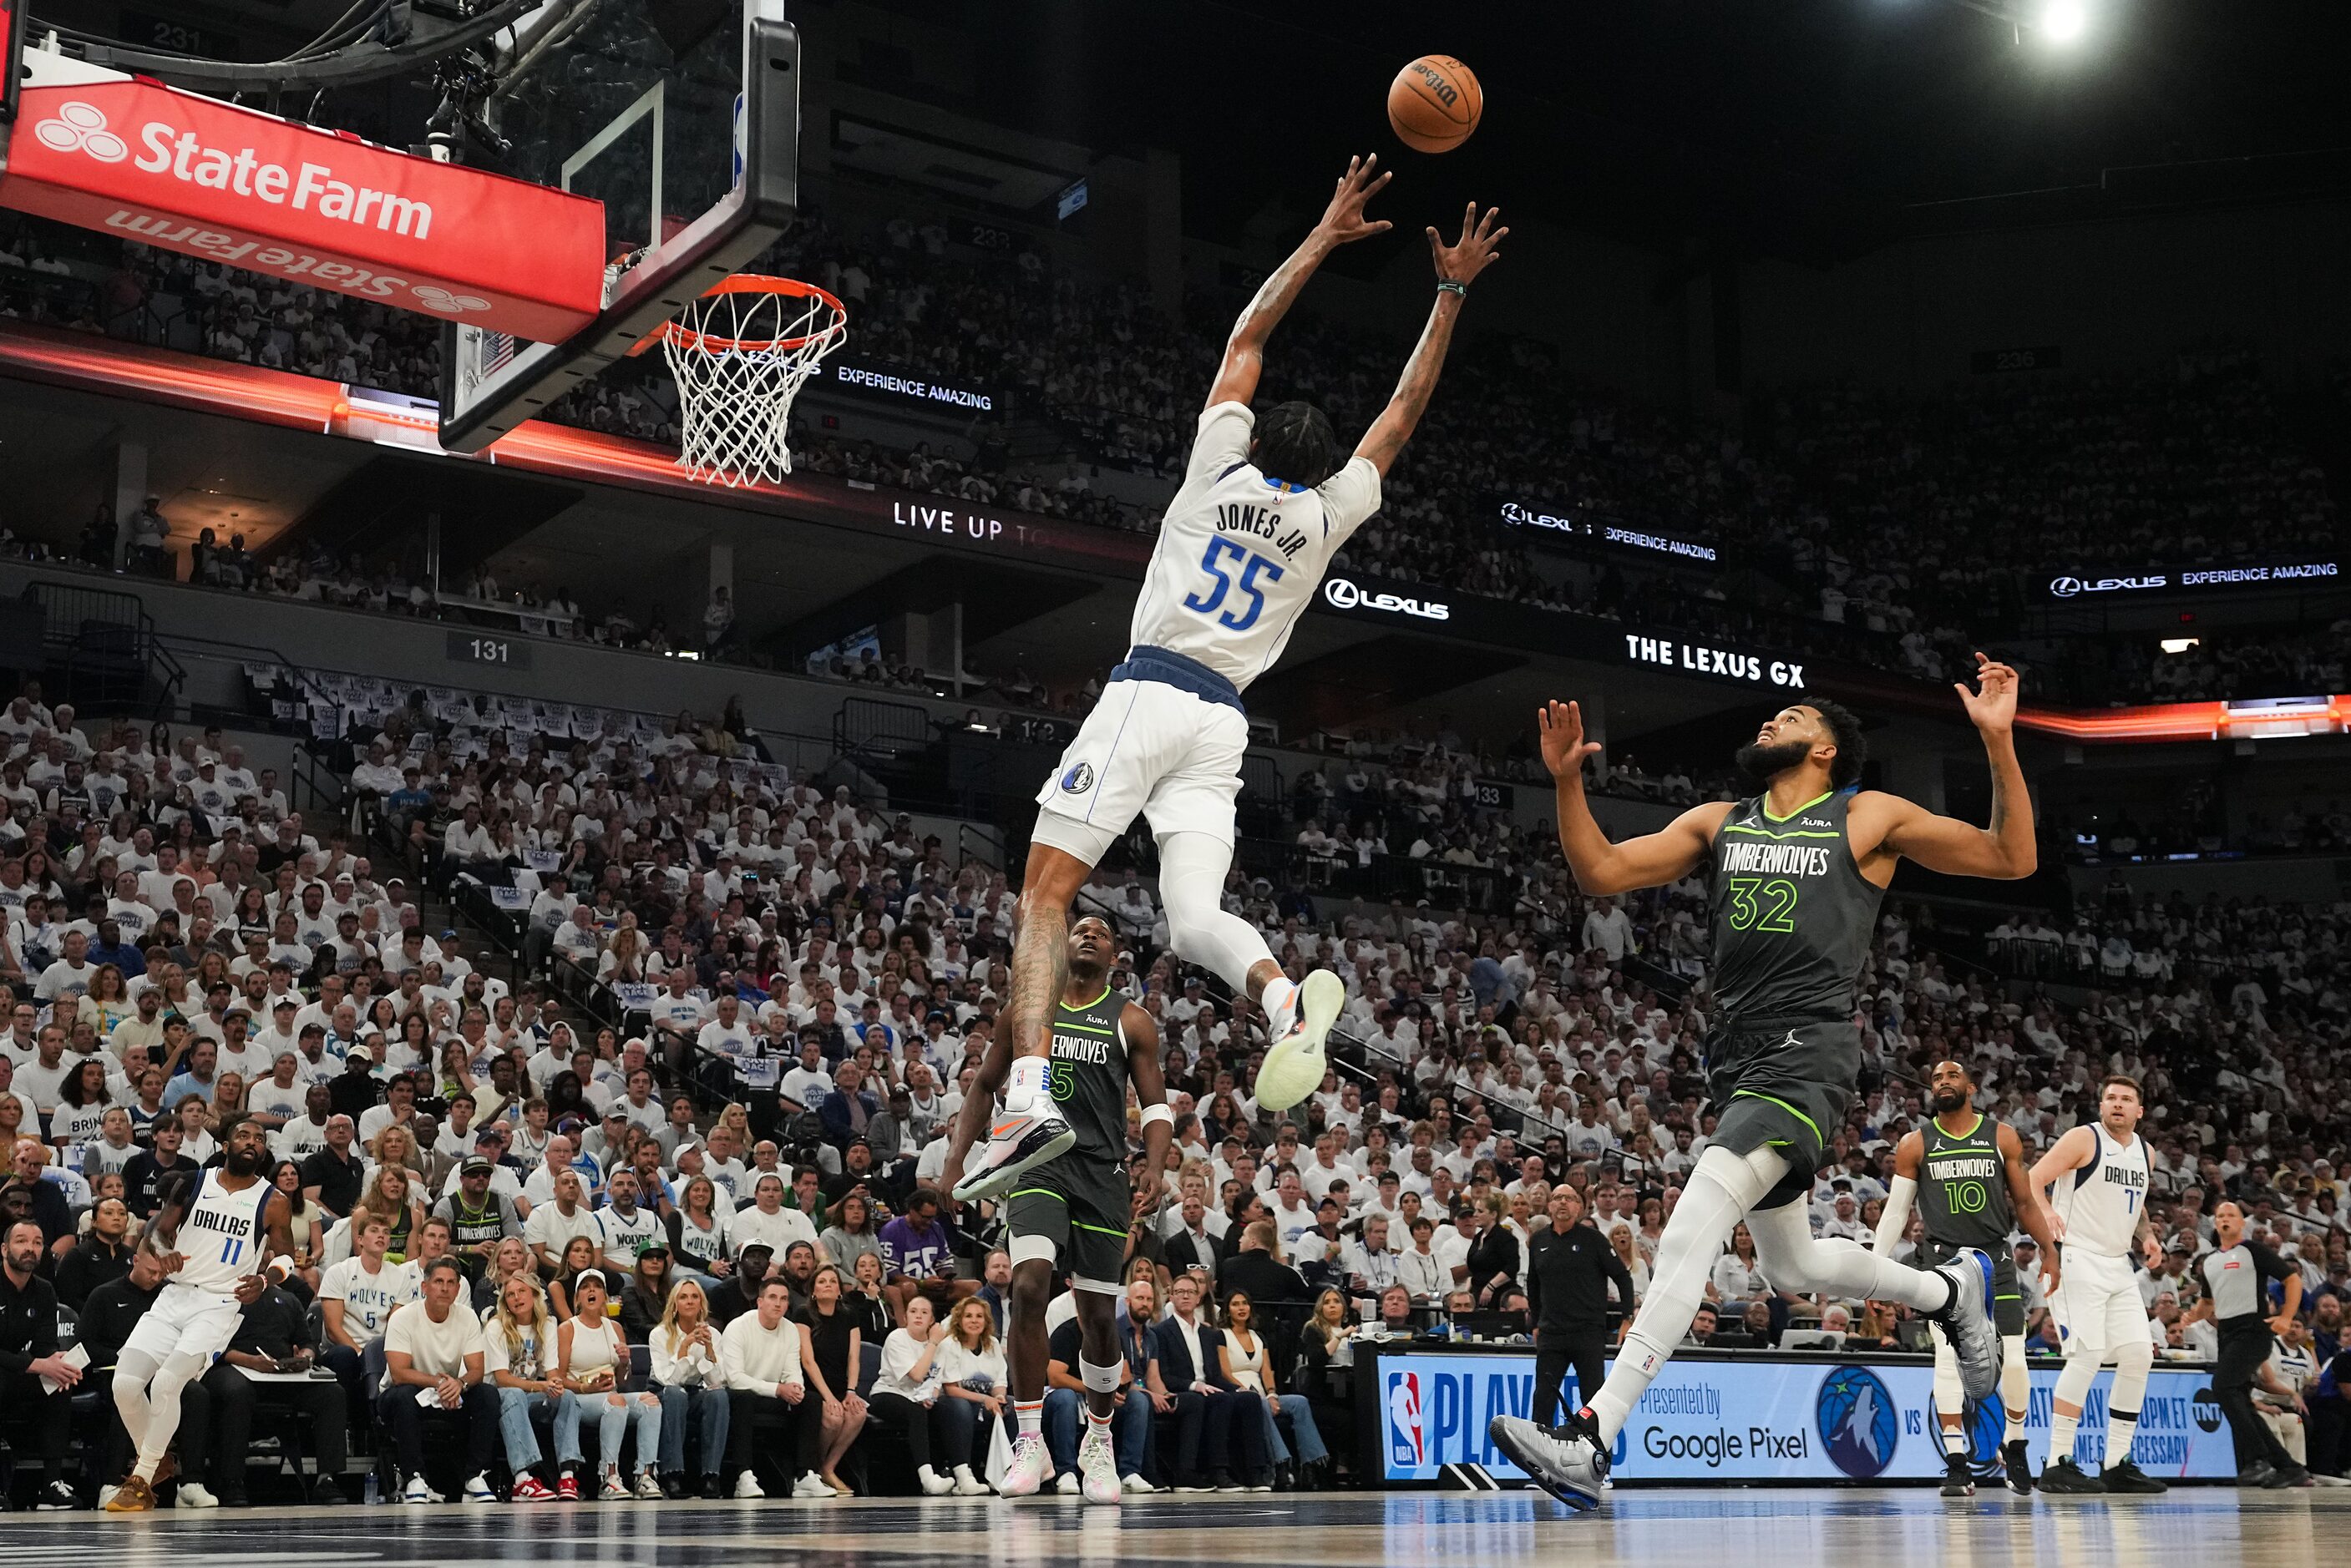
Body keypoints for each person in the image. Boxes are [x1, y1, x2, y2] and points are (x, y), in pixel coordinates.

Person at [955, 157, 1508, 1203]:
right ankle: (1280, 997)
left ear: (1254, 441)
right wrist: (1448, 292)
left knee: (1044, 889)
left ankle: (1026, 1099)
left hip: (1150, 690)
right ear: (1321, 461)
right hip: (1223, 725)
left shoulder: (1215, 468)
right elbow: (1402, 410)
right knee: (1193, 914)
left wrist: (1322, 232)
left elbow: (1247, 335)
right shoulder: (1330, 511)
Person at [1492, 678, 2028, 1510]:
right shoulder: (1719, 821)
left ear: (1823, 750)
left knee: (1688, 1233)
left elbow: (2010, 858)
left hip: (1805, 1049)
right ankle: (1948, 1290)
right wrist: (1566, 782)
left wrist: (1996, 739)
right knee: (1790, 1264)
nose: (1771, 719)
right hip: (1735, 1058)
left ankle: (1591, 1437)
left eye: (1794, 716)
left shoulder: (1865, 816)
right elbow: (1600, 871)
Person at [943, 917, 1169, 1501]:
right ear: (1062, 948)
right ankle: (1028, 1440)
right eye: (1080, 928)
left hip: (1101, 1173)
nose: (1089, 934)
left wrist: (1156, 1164)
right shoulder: (1026, 1011)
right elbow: (983, 1084)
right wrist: (953, 1163)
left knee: (1097, 1318)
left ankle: (1098, 1438)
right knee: (1027, 1286)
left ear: (1116, 953)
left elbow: (1156, 1106)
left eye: (1101, 931)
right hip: (1038, 1163)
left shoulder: (1130, 1019)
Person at [1875, 1058, 2065, 1498]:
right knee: (1947, 1362)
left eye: (1952, 1076)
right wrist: (1876, 1267)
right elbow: (1896, 1211)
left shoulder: (2001, 1136)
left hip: (1996, 1261)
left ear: (1971, 1087)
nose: (1943, 1081)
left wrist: (2050, 1251)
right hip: (1943, 1267)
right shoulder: (1913, 1144)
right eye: (1937, 1077)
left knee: (2015, 1360)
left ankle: (2014, 1444)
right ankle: (1957, 1463)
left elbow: (2024, 1203)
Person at [106, 1117, 298, 1513]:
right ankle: (158, 1459)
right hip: (174, 1295)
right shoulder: (193, 1182)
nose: (252, 1142)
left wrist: (266, 1279)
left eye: (259, 1139)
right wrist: (162, 1251)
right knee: (124, 1385)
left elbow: (286, 1257)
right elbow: (157, 1231)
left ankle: (140, 1479)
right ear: (225, 1145)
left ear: (264, 1151)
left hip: (220, 1303)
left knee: (167, 1384)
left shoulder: (274, 1200)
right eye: (243, 1136)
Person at [2028, 1075, 2166, 1495]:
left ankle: (2116, 1463)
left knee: (2139, 1354)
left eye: (2127, 1099)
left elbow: (2136, 1203)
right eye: (2111, 1098)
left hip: (2118, 1264)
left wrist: (2147, 1235)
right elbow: (2032, 1179)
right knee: (2087, 1355)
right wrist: (2047, 1212)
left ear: (2140, 1111)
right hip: (2077, 1257)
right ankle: (2057, 1462)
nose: (2118, 1104)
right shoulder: (2082, 1139)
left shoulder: (2147, 1152)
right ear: (2101, 1105)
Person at [200, 1275, 347, 1505]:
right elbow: (210, 1347)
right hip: (234, 1366)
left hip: (281, 1372)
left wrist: (305, 1358)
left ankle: (326, 1480)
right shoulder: (221, 1295)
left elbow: (307, 1343)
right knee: (237, 1390)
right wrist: (250, 1361)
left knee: (332, 1393)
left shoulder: (287, 1299)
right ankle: (232, 1481)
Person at [2197, 1201, 2311, 1487]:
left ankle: (2258, 1459)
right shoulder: (2209, 1261)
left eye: (2230, 1215)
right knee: (2241, 1401)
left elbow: (2292, 1279)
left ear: (2241, 1222)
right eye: (2220, 1215)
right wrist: (2191, 1315)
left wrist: (2286, 1316)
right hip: (2227, 1333)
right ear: (2214, 1223)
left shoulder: (2252, 1251)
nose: (2224, 1219)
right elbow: (2207, 1303)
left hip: (2254, 1330)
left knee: (2222, 1388)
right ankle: (2289, 1467)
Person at [378, 1256, 499, 1503]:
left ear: (458, 1288)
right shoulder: (403, 1317)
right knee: (404, 1395)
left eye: (451, 1283)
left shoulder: (467, 1317)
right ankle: (414, 1478)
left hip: (447, 1394)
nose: (444, 1288)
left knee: (488, 1395)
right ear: (425, 1287)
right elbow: (399, 1373)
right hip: (402, 1395)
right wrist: (441, 1383)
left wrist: (460, 1384)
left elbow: (477, 1369)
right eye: (438, 1282)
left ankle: (474, 1477)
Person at [1525, 1186, 1634, 1430]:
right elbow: (1533, 1283)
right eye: (1557, 1198)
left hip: (1587, 1333)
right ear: (1550, 1206)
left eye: (1570, 1198)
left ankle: (1598, 1457)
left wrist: (1627, 1317)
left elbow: (1623, 1277)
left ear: (1579, 1207)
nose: (1563, 1202)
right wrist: (1535, 1323)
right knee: (1543, 1397)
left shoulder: (1593, 1240)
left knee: (1593, 1399)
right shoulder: (1539, 1240)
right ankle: (1538, 1456)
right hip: (1551, 1334)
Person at [555, 1267, 662, 1500]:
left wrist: (624, 1362)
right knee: (616, 1402)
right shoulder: (567, 1328)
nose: (591, 1291)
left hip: (612, 1394)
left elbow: (623, 1383)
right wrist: (587, 1388)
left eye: (597, 1287)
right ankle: (609, 1477)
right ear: (577, 1298)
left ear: (604, 1296)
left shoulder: (614, 1327)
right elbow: (559, 1379)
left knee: (650, 1402)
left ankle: (644, 1475)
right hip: (579, 1398)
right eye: (585, 1287)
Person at [1044, 1272, 1155, 1493]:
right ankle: (1066, 1471)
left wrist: (1115, 1389)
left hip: (1103, 1395)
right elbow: (1055, 1377)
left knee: (1138, 1400)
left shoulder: (1112, 1334)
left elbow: (1124, 1374)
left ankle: (1129, 1471)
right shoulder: (1065, 1333)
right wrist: (1097, 1392)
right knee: (1065, 1398)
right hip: (1068, 1395)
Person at [1148, 1270, 1259, 1490]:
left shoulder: (1209, 1334)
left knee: (1250, 1399)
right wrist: (1194, 1385)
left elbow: (1215, 1376)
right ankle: (1217, 1471)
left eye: (1191, 1292)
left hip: (1209, 1389)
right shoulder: (1160, 1332)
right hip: (1180, 1391)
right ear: (1171, 1297)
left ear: (1199, 1298)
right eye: (1180, 1292)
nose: (1186, 1296)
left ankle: (1255, 1472)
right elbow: (1164, 1376)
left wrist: (1236, 1389)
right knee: (1218, 1400)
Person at [0, 1218, 79, 1509]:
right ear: (4, 1248)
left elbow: (46, 1346)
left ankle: (51, 1484)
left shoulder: (44, 1290)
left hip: (18, 1369)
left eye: (37, 1242)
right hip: (8, 1370)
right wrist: (40, 1364)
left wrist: (56, 1363)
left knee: (60, 1382)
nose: (30, 1248)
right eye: (22, 1241)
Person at [482, 1271, 581, 1502]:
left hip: (532, 1395)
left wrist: (555, 1385)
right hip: (499, 1397)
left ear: (535, 1295)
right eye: (510, 1295)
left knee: (566, 1397)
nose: (516, 1298)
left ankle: (567, 1476)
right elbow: (502, 1378)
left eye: (521, 1292)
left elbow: (552, 1372)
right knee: (515, 1393)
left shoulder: (548, 1324)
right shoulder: (496, 1327)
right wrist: (542, 1386)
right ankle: (522, 1480)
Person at [1220, 1288, 1327, 1485]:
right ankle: (1281, 1464)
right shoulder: (1221, 1335)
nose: (1241, 1308)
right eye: (1235, 1304)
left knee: (1300, 1402)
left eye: (1244, 1303)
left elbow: (1267, 1371)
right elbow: (1224, 1372)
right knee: (1257, 1404)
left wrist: (1271, 1394)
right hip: (1239, 1395)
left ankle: (1311, 1466)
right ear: (1227, 1311)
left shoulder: (1259, 1336)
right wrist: (1250, 1393)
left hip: (1262, 1394)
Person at [867, 1292, 960, 1495]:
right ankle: (928, 1480)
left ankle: (963, 1474)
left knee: (950, 1409)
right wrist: (933, 1344)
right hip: (887, 1394)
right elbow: (917, 1375)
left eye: (924, 1312)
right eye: (913, 1311)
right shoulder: (897, 1338)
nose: (918, 1316)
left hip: (919, 1398)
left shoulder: (941, 1346)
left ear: (932, 1320)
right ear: (906, 1316)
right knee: (916, 1412)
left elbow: (936, 1379)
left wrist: (932, 1397)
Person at [651, 1277, 732, 1498]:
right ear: (674, 1304)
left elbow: (716, 1381)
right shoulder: (659, 1334)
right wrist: (685, 1346)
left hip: (694, 1391)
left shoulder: (713, 1334)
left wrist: (709, 1349)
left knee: (719, 1397)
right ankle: (672, 1474)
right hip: (663, 1391)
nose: (689, 1301)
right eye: (683, 1297)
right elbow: (669, 1381)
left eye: (695, 1297)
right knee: (676, 1394)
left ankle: (711, 1476)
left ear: (702, 1304)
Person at [793, 1263, 869, 1495]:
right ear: (814, 1291)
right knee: (834, 1418)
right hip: (813, 1386)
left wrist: (852, 1391)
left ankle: (827, 1468)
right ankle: (811, 1470)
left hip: (840, 1384)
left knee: (858, 1413)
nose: (828, 1285)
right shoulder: (802, 1313)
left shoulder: (849, 1315)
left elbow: (854, 1357)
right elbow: (807, 1360)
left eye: (832, 1281)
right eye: (822, 1282)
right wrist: (828, 1397)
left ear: (839, 1290)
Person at [937, 1295, 1007, 1495]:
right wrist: (986, 1399)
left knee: (1011, 1406)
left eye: (979, 1316)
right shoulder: (949, 1345)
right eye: (968, 1316)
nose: (974, 1320)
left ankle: (1006, 1473)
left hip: (985, 1402)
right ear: (959, 1320)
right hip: (951, 1403)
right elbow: (951, 1388)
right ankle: (963, 1476)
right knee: (961, 1407)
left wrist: (999, 1397)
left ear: (986, 1322)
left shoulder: (992, 1344)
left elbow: (1000, 1382)